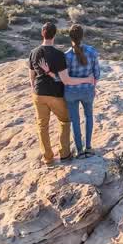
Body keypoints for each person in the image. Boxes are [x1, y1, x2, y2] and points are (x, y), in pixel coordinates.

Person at [29, 21, 94, 166]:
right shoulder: (59, 55)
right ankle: (64, 154)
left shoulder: (33, 53)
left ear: (42, 34)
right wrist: (87, 79)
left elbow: (31, 78)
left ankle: (48, 158)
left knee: (42, 126)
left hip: (38, 94)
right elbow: (67, 80)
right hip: (55, 95)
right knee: (64, 121)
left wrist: (36, 90)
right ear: (55, 36)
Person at [63, 24, 100, 156]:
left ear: (70, 37)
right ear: (82, 36)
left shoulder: (66, 56)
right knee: (89, 116)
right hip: (87, 91)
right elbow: (96, 74)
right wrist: (93, 87)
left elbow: (63, 77)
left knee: (75, 120)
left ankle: (79, 150)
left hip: (71, 93)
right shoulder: (92, 52)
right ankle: (88, 147)